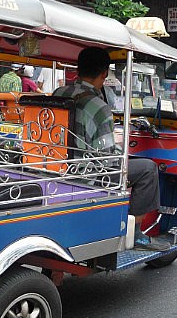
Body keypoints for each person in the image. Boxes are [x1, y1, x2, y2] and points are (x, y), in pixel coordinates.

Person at [53, 46, 168, 251]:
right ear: (104, 73)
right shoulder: (99, 106)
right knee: (148, 169)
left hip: (55, 167)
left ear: (79, 69)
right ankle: (136, 232)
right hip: (86, 175)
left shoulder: (58, 93)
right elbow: (107, 160)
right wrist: (122, 155)